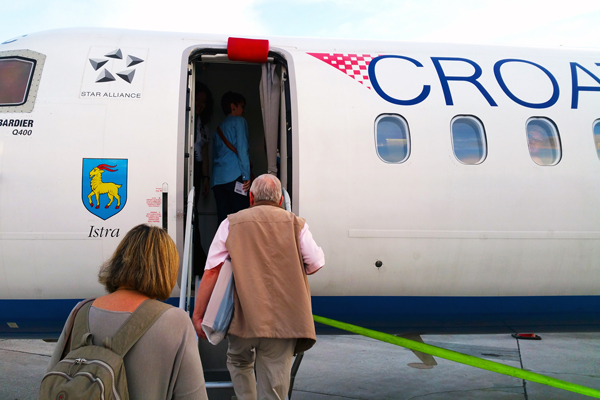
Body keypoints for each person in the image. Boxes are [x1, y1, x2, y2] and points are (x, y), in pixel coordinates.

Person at [192, 174, 325, 400]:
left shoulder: (230, 223)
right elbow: (315, 263)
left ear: (251, 197)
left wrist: (198, 314)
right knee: (275, 381)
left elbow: (212, 271)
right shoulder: (297, 224)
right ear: (281, 199)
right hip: (282, 321)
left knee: (238, 361)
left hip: (243, 319)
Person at [47, 224, 208, 400]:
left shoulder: (80, 312)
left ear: (119, 260)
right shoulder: (176, 322)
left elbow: (52, 380)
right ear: (166, 269)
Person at [212, 91, 251, 224]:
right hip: (235, 177)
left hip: (218, 180)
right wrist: (246, 176)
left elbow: (215, 155)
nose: (244, 110)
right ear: (233, 106)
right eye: (242, 106)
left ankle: (222, 245)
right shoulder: (239, 121)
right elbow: (242, 149)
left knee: (223, 221)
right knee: (242, 218)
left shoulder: (218, 128)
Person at [193, 83, 213, 278]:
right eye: (197, 100)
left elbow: (205, 153)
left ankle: (198, 261)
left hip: (197, 169)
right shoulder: (187, 120)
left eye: (203, 101)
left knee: (195, 213)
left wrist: (206, 177)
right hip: (187, 168)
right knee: (190, 214)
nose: (200, 104)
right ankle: (197, 261)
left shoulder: (202, 125)